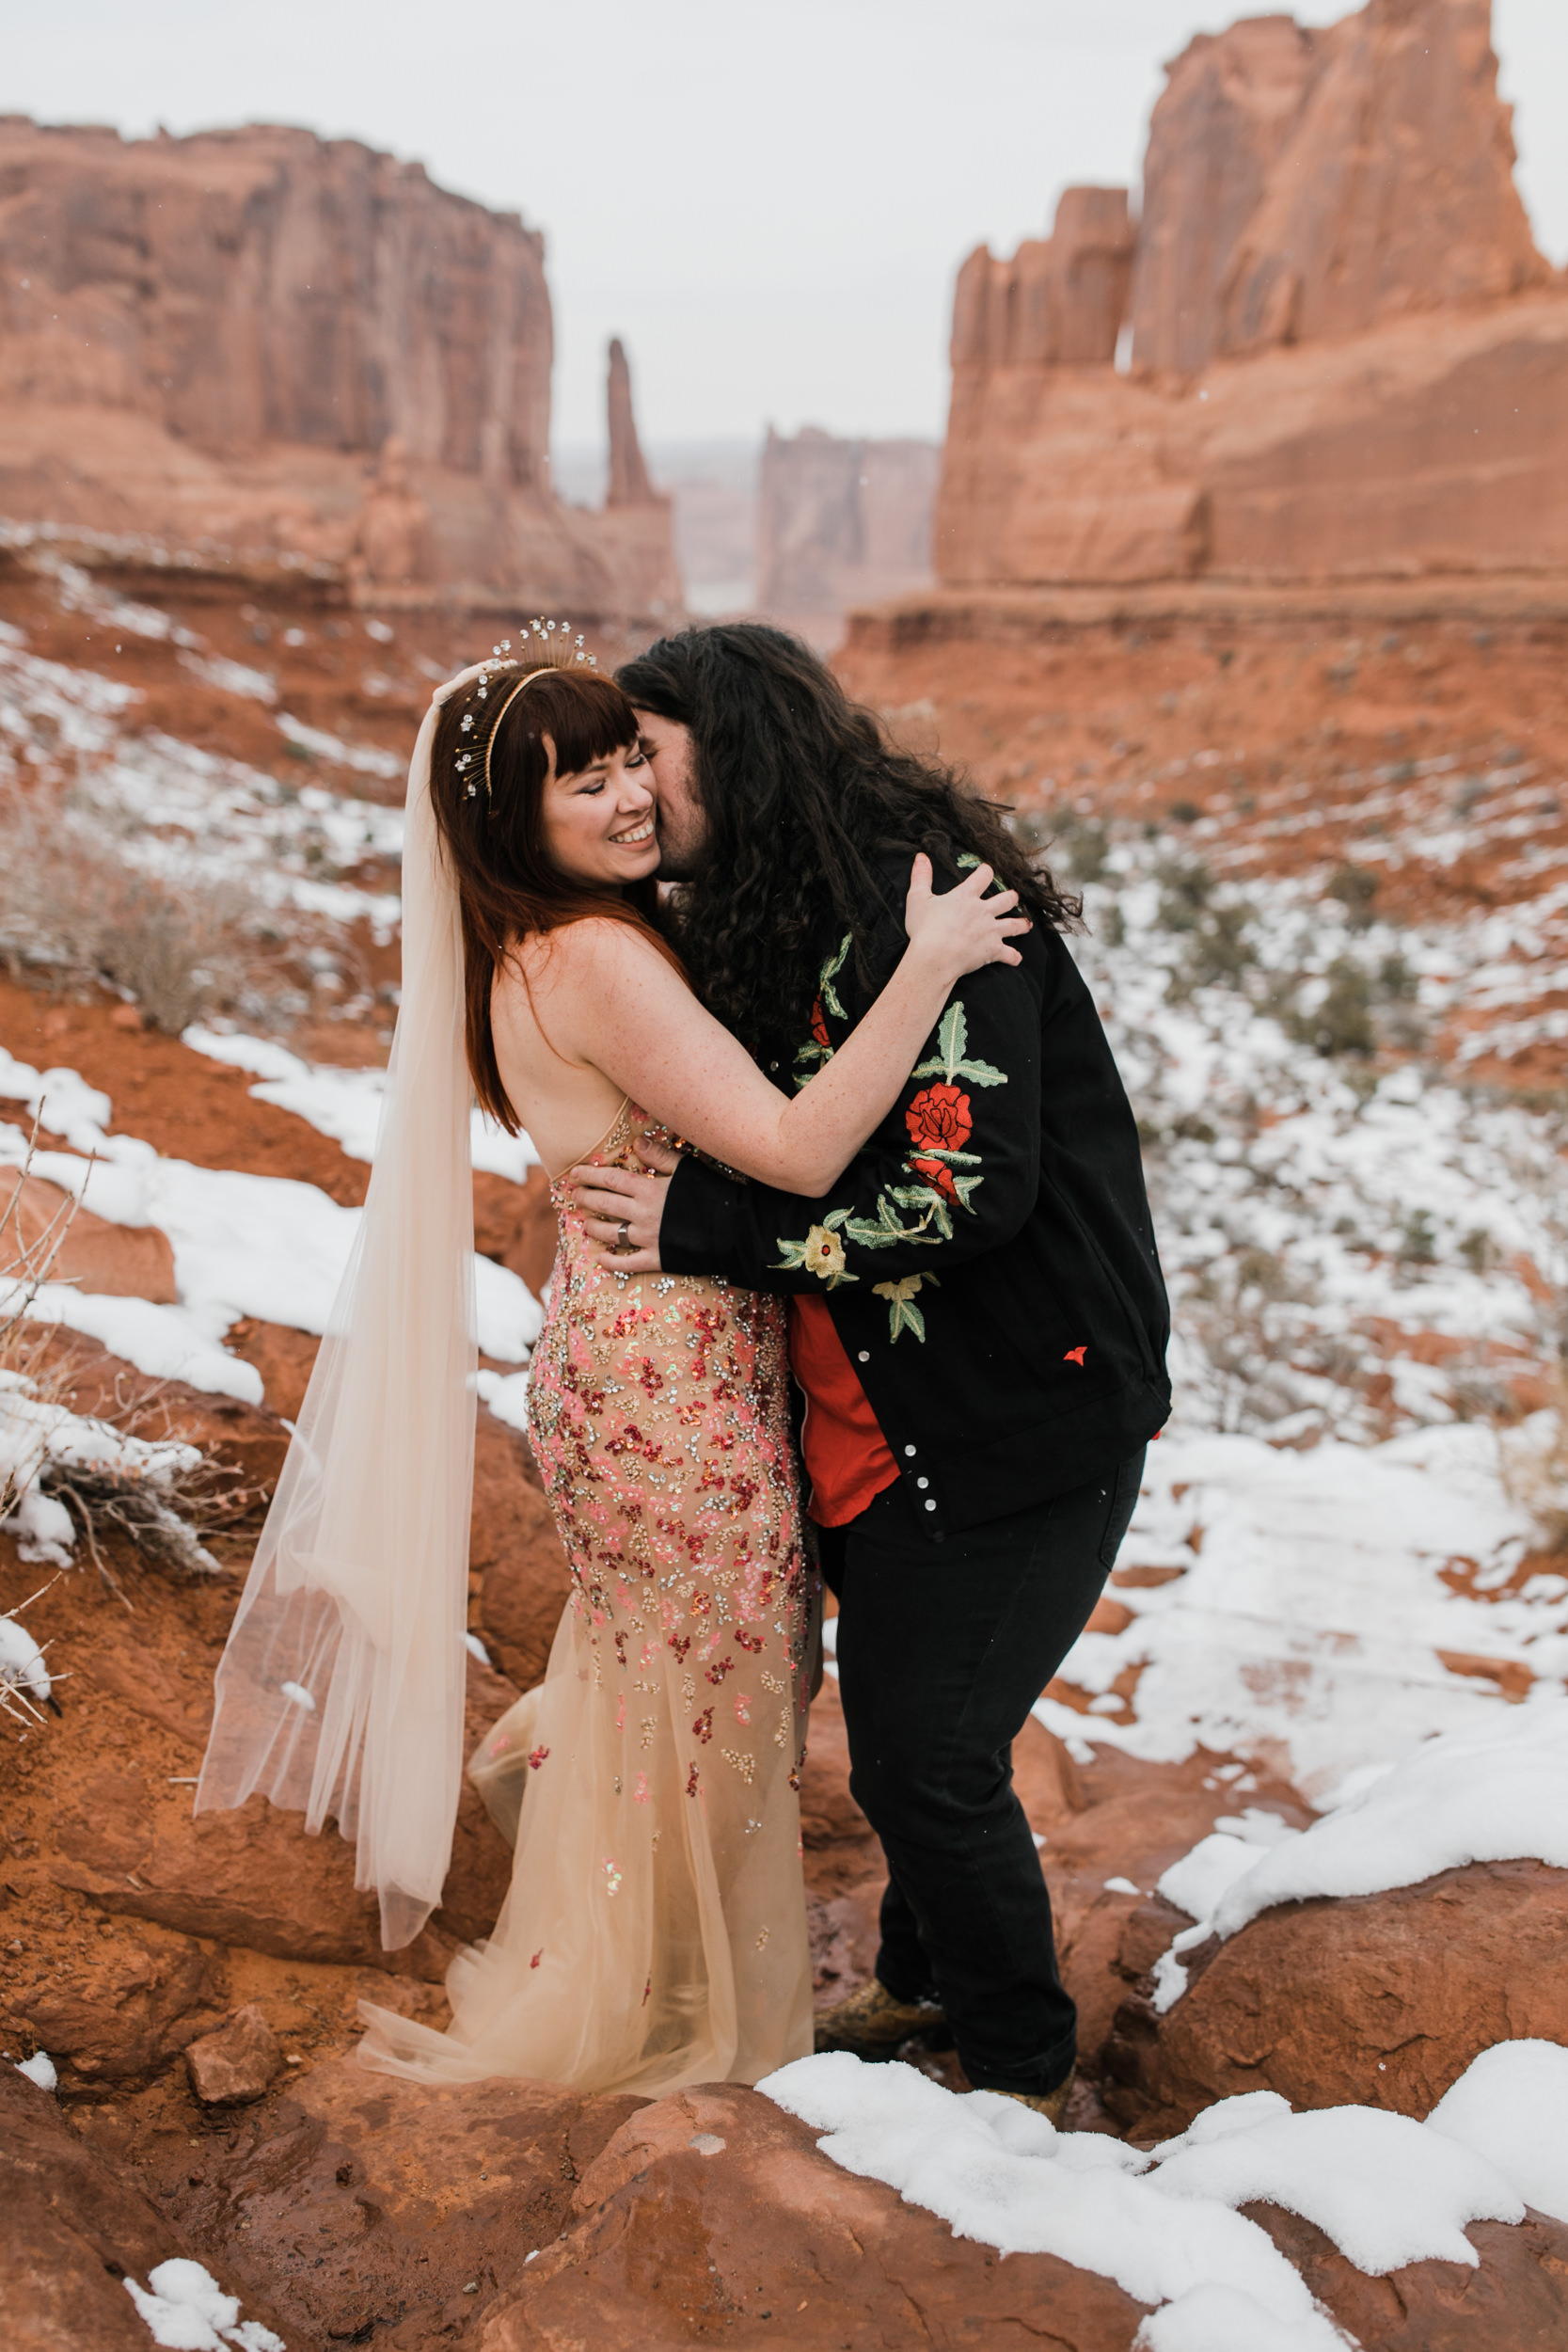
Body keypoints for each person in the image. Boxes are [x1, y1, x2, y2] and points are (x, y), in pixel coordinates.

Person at [198, 632, 1026, 2100]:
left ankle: (595, 1853)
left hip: (638, 1356)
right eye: (581, 781)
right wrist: (932, 965)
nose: (628, 794)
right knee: (721, 1688)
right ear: (511, 824)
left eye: (626, 756)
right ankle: (647, 2003)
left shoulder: (537, 942)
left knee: (680, 1669)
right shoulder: (588, 955)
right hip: (671, 1381)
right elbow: (797, 1146)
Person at [572, 624, 1171, 2122]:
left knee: (927, 1757)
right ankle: (921, 1981)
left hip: (1020, 1416)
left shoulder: (930, 898)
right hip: (873, 1420)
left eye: (649, 750)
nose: (636, 787)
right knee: (912, 1729)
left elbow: (969, 1190)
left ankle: (1023, 2071)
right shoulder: (767, 905)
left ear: (739, 742)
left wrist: (704, 1227)